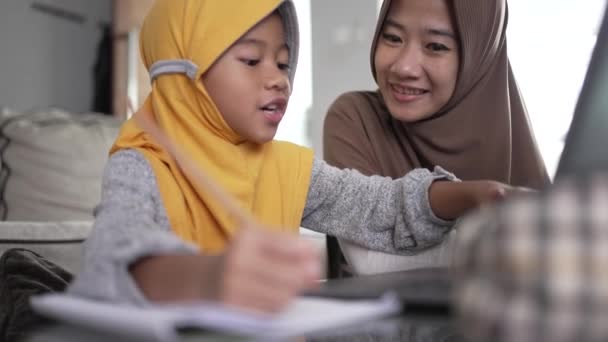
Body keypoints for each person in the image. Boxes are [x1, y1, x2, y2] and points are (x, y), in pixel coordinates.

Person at [67, 0, 521, 313]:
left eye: (283, 63)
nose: (279, 80)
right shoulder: (143, 163)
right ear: (183, 72)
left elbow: (380, 207)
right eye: (251, 60)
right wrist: (208, 279)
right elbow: (110, 256)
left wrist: (470, 195)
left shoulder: (287, 167)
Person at [323, 0, 550, 277]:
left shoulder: (511, 135)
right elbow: (373, 263)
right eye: (393, 38)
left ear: (480, 55)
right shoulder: (355, 117)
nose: (404, 67)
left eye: (436, 46)